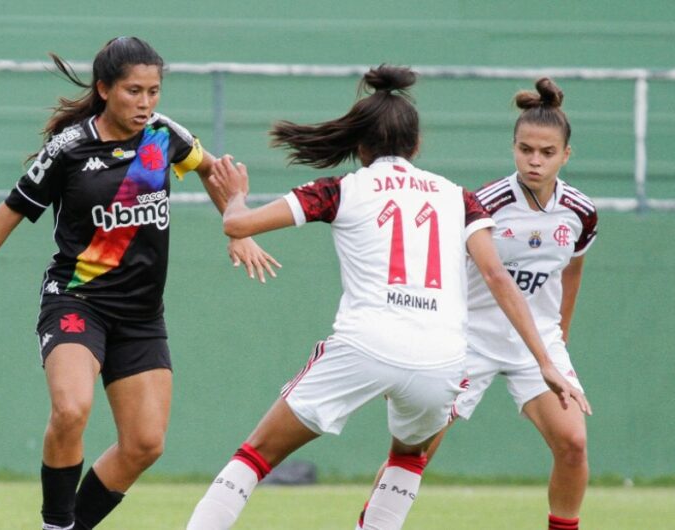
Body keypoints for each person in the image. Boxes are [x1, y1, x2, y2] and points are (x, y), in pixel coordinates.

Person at [185, 65, 590, 530]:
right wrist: (544, 357)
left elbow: (238, 225)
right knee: (408, 458)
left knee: (257, 454)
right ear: (416, 146)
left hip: (366, 345)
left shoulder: (341, 189)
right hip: (442, 360)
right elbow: (498, 276)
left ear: (360, 145)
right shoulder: (458, 197)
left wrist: (236, 197)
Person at [0, 36, 279, 530]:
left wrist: (238, 225)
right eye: (133, 91)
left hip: (142, 315)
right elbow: (12, 210)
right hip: (76, 301)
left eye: (153, 91)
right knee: (71, 408)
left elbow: (216, 174)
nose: (145, 102)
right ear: (104, 89)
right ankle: (56, 524)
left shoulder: (163, 137)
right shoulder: (68, 148)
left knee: (145, 444)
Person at [357, 77, 598, 530]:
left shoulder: (581, 213)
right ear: (513, 148)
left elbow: (572, 270)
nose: (535, 160)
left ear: (566, 155)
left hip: (537, 345)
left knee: (573, 444)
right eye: (526, 149)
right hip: (467, 340)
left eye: (547, 153)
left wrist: (559, 336)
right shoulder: (484, 203)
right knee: (416, 450)